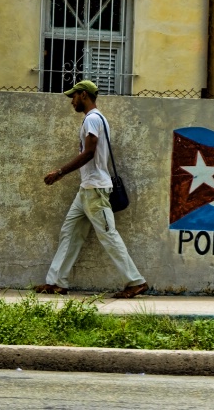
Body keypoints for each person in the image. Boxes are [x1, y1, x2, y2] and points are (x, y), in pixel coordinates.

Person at [35, 80, 148, 299]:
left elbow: (89, 153)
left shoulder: (93, 119)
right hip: (86, 189)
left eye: (74, 96)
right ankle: (57, 282)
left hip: (95, 189)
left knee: (109, 235)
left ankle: (136, 282)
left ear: (84, 95)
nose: (72, 101)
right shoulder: (97, 119)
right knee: (70, 233)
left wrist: (59, 173)